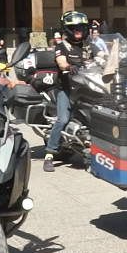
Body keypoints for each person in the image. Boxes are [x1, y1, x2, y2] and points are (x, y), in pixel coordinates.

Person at [44, 11, 94, 173]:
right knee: (63, 119)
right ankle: (50, 154)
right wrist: (68, 67)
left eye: (80, 27)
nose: (77, 30)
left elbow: (103, 56)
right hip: (67, 89)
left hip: (88, 88)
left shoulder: (88, 45)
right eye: (74, 27)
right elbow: (61, 61)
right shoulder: (61, 46)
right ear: (67, 29)